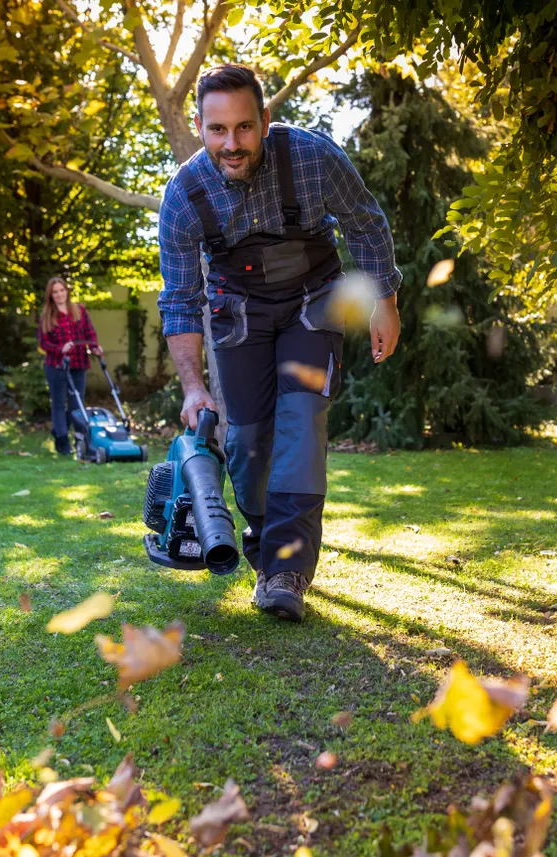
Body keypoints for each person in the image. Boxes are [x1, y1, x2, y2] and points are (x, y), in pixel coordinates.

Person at [158, 64, 401, 622]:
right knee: (245, 442)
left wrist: (384, 300)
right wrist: (195, 388)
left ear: (265, 121)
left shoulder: (313, 158)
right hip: (237, 314)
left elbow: (365, 222)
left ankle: (287, 569)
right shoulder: (183, 197)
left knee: (302, 420)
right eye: (218, 130)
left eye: (244, 127)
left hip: (313, 303)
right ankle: (268, 549)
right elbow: (179, 299)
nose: (232, 144)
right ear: (200, 127)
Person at [37, 276, 102, 455]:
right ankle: (63, 442)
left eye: (61, 290)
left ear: (67, 291)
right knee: (58, 403)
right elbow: (43, 343)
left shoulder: (79, 311)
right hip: (56, 365)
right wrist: (60, 349)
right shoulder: (47, 316)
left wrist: (95, 347)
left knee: (76, 404)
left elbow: (90, 332)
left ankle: (76, 438)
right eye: (55, 292)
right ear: (51, 296)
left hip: (79, 363)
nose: (59, 295)